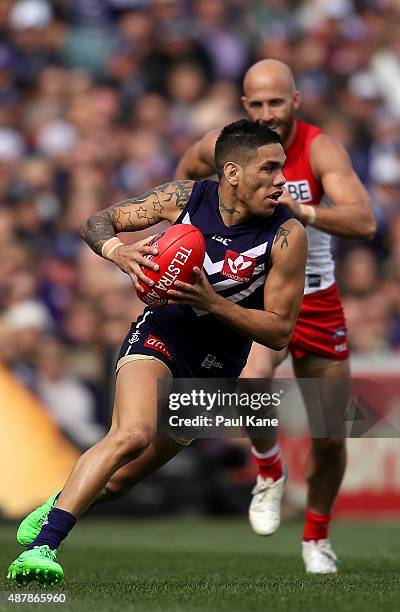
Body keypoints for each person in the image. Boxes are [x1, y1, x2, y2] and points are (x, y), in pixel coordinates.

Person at [7, 119, 307, 586]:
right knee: (132, 434)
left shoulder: (287, 235)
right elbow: (96, 221)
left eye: (281, 168)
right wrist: (116, 252)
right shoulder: (186, 199)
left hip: (215, 372)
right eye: (268, 169)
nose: (280, 180)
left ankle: (57, 502)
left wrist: (211, 302)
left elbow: (279, 331)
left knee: (122, 480)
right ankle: (43, 549)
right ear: (232, 172)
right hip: (161, 336)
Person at [175, 60, 377, 574]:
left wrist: (303, 211)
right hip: (259, 293)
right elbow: (183, 181)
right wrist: (186, 242)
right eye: (257, 104)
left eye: (276, 103)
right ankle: (269, 470)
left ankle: (316, 538)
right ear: (245, 106)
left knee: (332, 434)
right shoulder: (225, 146)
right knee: (250, 379)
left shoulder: (321, 148)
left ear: (296, 102)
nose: (268, 113)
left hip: (316, 296)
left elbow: (364, 219)